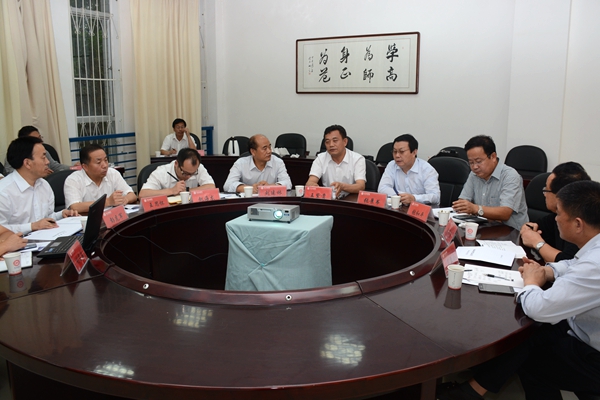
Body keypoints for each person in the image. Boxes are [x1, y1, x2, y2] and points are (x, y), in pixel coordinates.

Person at [437, 180, 600, 400]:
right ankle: (470, 391)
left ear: (578, 224)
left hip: (592, 353)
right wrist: (545, 272)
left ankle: (470, 391)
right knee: (531, 336)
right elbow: (573, 265)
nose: (555, 218)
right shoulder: (593, 248)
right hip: (583, 328)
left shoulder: (595, 264)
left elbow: (539, 308)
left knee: (531, 357)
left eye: (559, 213)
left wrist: (531, 282)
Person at [0, 137, 77, 235]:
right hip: (18, 243)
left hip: (46, 238)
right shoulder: (4, 192)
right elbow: (2, 229)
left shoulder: (44, 184)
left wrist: (61, 214)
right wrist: (32, 226)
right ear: (27, 163)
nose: (48, 162)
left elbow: (47, 218)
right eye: (43, 157)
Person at [452, 135, 527, 230]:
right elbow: (463, 202)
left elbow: (505, 213)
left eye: (478, 161)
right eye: (471, 162)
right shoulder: (474, 174)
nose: (474, 167)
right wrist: (464, 206)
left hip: (511, 232)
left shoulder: (510, 176)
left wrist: (475, 209)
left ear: (493, 157)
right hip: (485, 228)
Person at [520, 162, 590, 263]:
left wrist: (537, 242)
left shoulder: (584, 224)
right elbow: (532, 226)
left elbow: (567, 263)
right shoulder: (557, 215)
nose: (544, 194)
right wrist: (528, 229)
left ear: (560, 195)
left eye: (546, 190)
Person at [64, 144, 137, 213]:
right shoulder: (73, 180)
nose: (105, 165)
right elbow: (74, 207)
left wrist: (124, 199)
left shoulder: (112, 173)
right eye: (98, 162)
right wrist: (108, 202)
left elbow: (132, 195)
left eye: (106, 160)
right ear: (85, 167)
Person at [377, 133, 440, 205]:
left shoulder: (427, 170)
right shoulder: (392, 165)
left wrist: (414, 198)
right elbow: (382, 188)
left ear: (414, 152)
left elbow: (435, 197)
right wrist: (403, 196)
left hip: (418, 209)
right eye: (395, 151)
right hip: (399, 208)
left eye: (402, 152)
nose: (397, 155)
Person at [305, 125, 366, 198]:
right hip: (327, 200)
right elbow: (311, 181)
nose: (331, 145)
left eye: (335, 141)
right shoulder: (320, 158)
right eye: (327, 142)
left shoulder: (357, 159)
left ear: (345, 142)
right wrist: (312, 185)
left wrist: (342, 186)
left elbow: (360, 186)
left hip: (349, 199)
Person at [223, 134, 292, 194]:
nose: (269, 151)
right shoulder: (241, 163)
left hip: (271, 201)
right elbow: (227, 185)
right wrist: (249, 189)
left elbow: (288, 183)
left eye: (269, 147)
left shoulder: (278, 162)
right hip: (248, 202)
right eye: (264, 148)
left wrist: (270, 187)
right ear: (253, 151)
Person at [139, 148, 216, 198]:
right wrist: (172, 191)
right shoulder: (161, 172)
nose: (189, 177)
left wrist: (187, 190)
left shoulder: (198, 168)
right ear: (176, 164)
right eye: (185, 173)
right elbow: (143, 194)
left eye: (193, 174)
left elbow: (211, 187)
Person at [3, 126, 74, 175]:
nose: (40, 141)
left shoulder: (43, 150)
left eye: (40, 137)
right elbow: (9, 172)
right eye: (35, 139)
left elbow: (55, 166)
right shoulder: (15, 153)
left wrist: (73, 168)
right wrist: (37, 172)